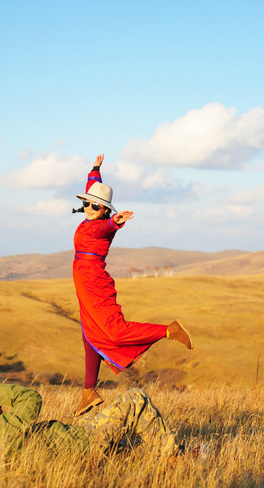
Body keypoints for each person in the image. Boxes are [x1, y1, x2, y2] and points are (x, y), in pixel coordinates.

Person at [72, 153, 193, 416]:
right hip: (84, 285)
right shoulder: (90, 215)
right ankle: (88, 392)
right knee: (89, 333)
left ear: (105, 210)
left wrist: (115, 222)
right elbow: (92, 190)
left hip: (94, 284)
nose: (90, 208)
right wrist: (95, 170)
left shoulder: (100, 226)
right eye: (88, 204)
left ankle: (168, 331)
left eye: (96, 206)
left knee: (114, 332)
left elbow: (106, 228)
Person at [0, 384, 180, 460]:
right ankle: (172, 456)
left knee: (130, 452)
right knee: (136, 398)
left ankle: (155, 455)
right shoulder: (6, 430)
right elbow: (31, 398)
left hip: (71, 445)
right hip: (83, 442)